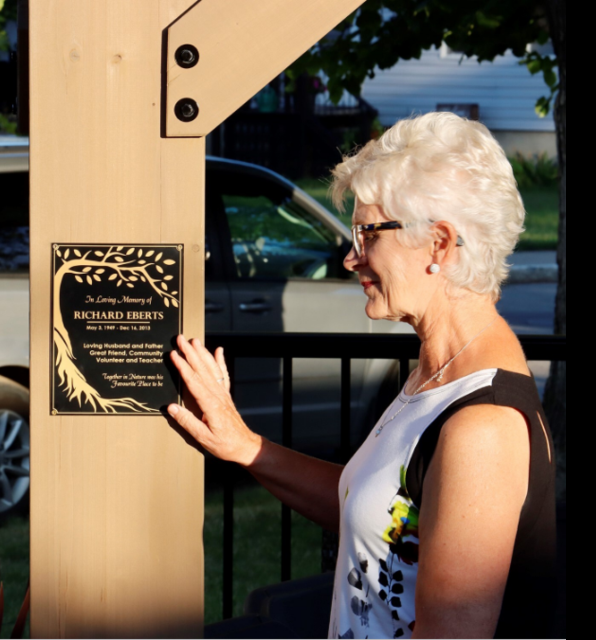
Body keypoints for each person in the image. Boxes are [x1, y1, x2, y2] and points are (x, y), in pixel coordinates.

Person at [167, 113, 556, 639]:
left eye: (367, 233)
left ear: (439, 244)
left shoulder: (481, 427)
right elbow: (379, 508)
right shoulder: (437, 372)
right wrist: (244, 446)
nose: (351, 257)